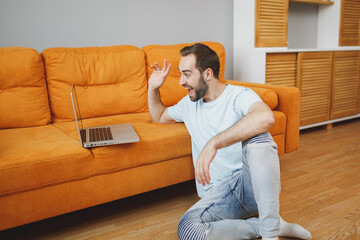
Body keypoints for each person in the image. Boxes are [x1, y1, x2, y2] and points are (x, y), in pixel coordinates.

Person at [147, 43, 312, 240]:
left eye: (187, 74)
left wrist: (213, 143)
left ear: (207, 73)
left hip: (250, 184)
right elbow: (159, 116)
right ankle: (268, 225)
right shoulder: (188, 104)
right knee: (188, 230)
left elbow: (265, 118)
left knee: (259, 135)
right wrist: (153, 87)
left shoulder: (238, 95)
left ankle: (270, 235)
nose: (181, 82)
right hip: (218, 196)